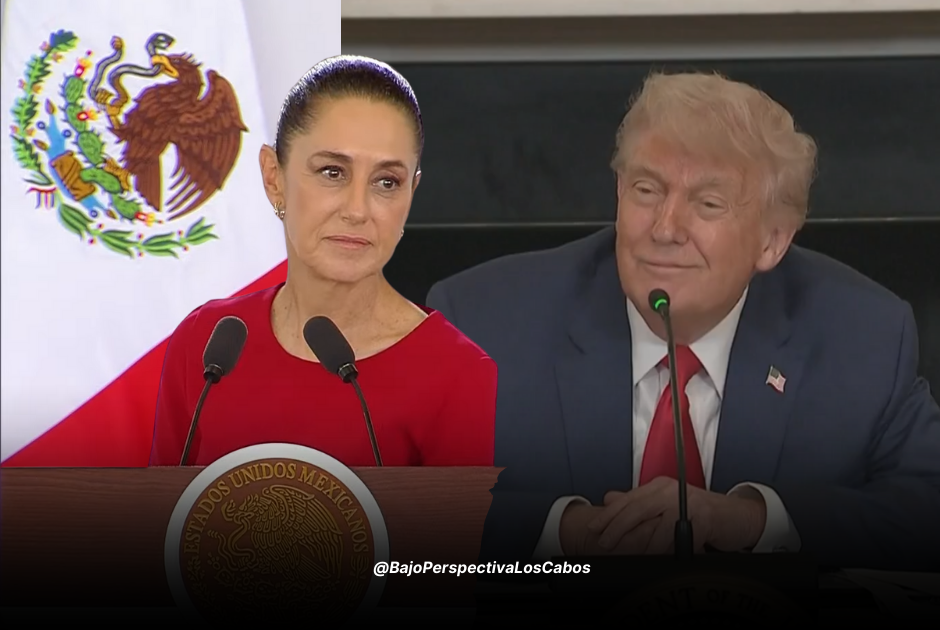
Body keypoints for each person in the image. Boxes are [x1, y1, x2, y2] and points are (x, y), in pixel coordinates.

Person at [426, 72, 940, 571]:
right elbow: (403, 512)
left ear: (772, 240)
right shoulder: (481, 322)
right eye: (647, 190)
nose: (666, 229)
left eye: (708, 203)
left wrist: (756, 522)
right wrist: (565, 532)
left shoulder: (863, 334)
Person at [150, 55, 497, 467]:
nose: (357, 209)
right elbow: (159, 523)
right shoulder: (207, 344)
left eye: (387, 182)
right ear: (273, 177)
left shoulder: (457, 372)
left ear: (411, 192)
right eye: (332, 172)